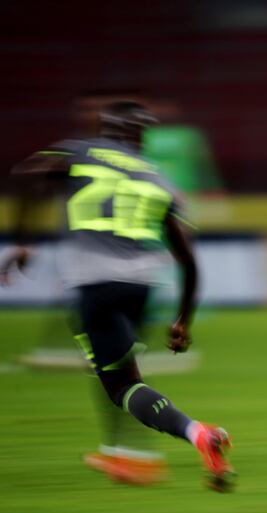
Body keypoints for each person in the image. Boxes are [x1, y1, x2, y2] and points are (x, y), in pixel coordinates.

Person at [0, 101, 235, 490]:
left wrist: (24, 243)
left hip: (93, 281)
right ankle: (123, 453)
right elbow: (188, 258)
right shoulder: (160, 178)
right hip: (142, 284)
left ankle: (195, 435)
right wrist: (182, 320)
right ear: (143, 137)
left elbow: (27, 174)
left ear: (104, 129)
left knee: (121, 384)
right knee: (124, 374)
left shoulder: (79, 150)